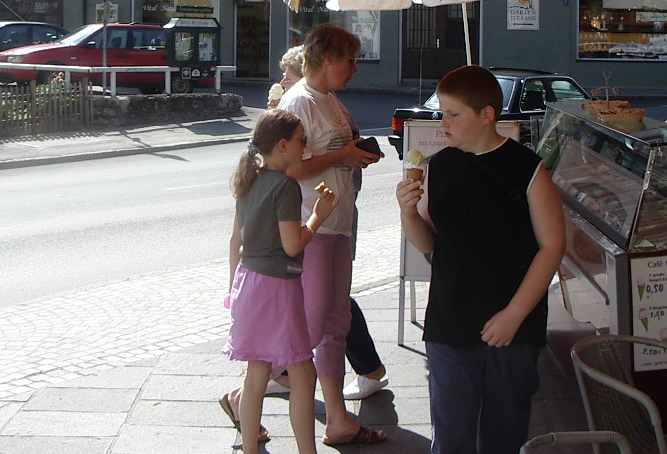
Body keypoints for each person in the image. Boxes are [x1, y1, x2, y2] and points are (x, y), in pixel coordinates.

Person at [395, 65, 565, 454]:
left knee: (504, 431)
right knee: (450, 431)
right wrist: (408, 213)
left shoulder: (527, 168)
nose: (444, 122)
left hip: (512, 323)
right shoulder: (440, 165)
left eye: (454, 114)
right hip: (450, 318)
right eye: (442, 112)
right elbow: (430, 244)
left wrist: (514, 314)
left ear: (487, 115)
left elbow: (553, 245)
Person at [278, 24, 386, 445]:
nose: (355, 69)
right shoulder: (298, 102)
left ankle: (338, 418)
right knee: (312, 326)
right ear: (327, 59)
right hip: (313, 226)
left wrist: (353, 155)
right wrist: (343, 154)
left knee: (336, 323)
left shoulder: (329, 100)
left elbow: (334, 154)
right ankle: (246, 390)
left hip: (338, 224)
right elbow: (288, 168)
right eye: (350, 60)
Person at [220, 109, 339, 453]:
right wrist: (317, 216)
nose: (306, 146)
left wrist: (232, 291)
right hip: (277, 287)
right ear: (283, 145)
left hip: (248, 282)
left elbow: (235, 241)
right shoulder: (285, 186)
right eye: (302, 140)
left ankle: (250, 449)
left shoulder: (248, 180)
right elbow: (292, 246)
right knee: (303, 373)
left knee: (257, 372)